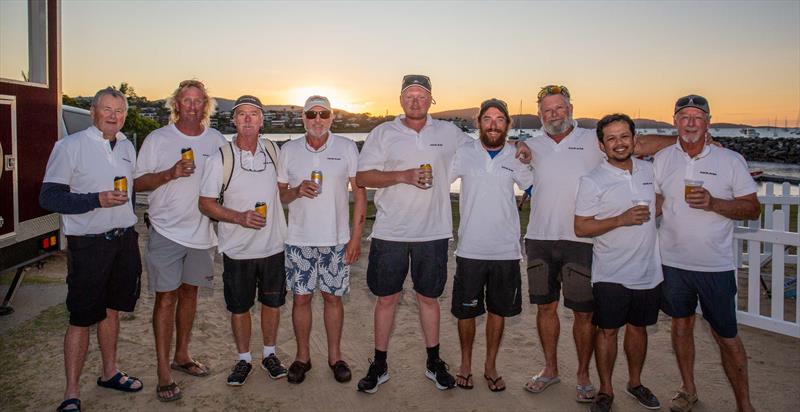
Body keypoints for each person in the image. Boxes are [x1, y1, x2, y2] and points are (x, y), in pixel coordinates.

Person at [355, 75, 531, 394]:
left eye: (422, 96)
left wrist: (519, 145)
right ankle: (379, 364)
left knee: (429, 298)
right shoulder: (383, 133)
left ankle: (433, 362)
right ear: (400, 98)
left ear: (431, 100)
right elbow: (363, 176)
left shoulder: (448, 133)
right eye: (410, 95)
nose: (416, 101)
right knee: (386, 299)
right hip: (390, 231)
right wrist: (402, 175)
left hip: (433, 233)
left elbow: (488, 144)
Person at [523, 85, 674, 402]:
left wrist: (690, 141)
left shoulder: (594, 139)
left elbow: (643, 144)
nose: (554, 114)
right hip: (540, 237)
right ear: (539, 115)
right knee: (545, 307)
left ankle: (583, 376)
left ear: (570, 108)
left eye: (559, 107)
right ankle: (550, 369)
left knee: (584, 313)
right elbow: (512, 158)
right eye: (547, 110)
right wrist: (517, 148)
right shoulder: (531, 145)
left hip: (581, 240)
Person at [654, 95, 759, 412]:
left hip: (715, 265)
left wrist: (714, 203)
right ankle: (687, 389)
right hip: (672, 262)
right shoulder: (663, 159)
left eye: (697, 117)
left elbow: (752, 209)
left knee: (726, 336)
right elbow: (657, 203)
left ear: (708, 122)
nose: (690, 122)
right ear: (674, 121)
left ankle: (744, 404)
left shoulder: (730, 161)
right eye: (683, 116)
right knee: (681, 326)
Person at [41, 87, 143, 412]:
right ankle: (71, 393)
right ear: (93, 111)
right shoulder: (69, 146)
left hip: (124, 240)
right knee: (82, 318)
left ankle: (109, 372)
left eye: (119, 110)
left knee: (112, 309)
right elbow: (49, 197)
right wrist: (94, 200)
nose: (114, 116)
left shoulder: (127, 146)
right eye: (107, 109)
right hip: (89, 245)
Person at [133, 79, 225, 401]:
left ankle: (182, 356)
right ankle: (163, 371)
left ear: (205, 105)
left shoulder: (216, 140)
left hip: (201, 234)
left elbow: (226, 182)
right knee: (165, 299)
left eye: (197, 101)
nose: (191, 106)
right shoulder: (158, 139)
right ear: (176, 104)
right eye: (185, 100)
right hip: (166, 231)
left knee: (189, 295)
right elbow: (137, 182)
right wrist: (169, 173)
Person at [574, 114, 663, 412]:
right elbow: (581, 227)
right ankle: (606, 390)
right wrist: (621, 220)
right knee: (608, 331)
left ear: (635, 139)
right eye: (611, 138)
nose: (619, 143)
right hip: (610, 270)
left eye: (624, 136)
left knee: (639, 329)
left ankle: (635, 383)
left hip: (648, 269)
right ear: (602, 145)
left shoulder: (650, 171)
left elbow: (660, 199)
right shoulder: (592, 180)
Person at [198, 95, 289, 386]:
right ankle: (244, 359)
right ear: (234, 120)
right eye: (242, 114)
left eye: (254, 114)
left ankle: (270, 355)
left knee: (272, 303)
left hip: (273, 245)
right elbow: (205, 204)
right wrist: (239, 217)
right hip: (237, 249)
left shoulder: (274, 151)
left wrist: (302, 192)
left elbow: (283, 193)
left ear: (262, 120)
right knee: (240, 307)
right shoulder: (220, 158)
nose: (248, 119)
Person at [277, 95, 367, 384]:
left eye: (323, 114)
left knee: (332, 298)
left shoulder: (347, 147)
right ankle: (303, 358)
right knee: (301, 298)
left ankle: (335, 357)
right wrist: (296, 191)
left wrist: (356, 237)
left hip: (336, 239)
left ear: (331, 118)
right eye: (311, 114)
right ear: (303, 118)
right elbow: (280, 195)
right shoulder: (288, 150)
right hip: (299, 238)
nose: (317, 119)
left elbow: (360, 194)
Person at [449, 98, 533, 392]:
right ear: (479, 123)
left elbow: (535, 186)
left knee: (499, 311)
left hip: (506, 250)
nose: (494, 124)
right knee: (466, 312)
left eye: (499, 119)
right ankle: (465, 364)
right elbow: (436, 182)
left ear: (507, 124)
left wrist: (528, 151)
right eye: (488, 118)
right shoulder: (465, 152)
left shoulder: (516, 155)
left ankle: (490, 366)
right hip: (470, 248)